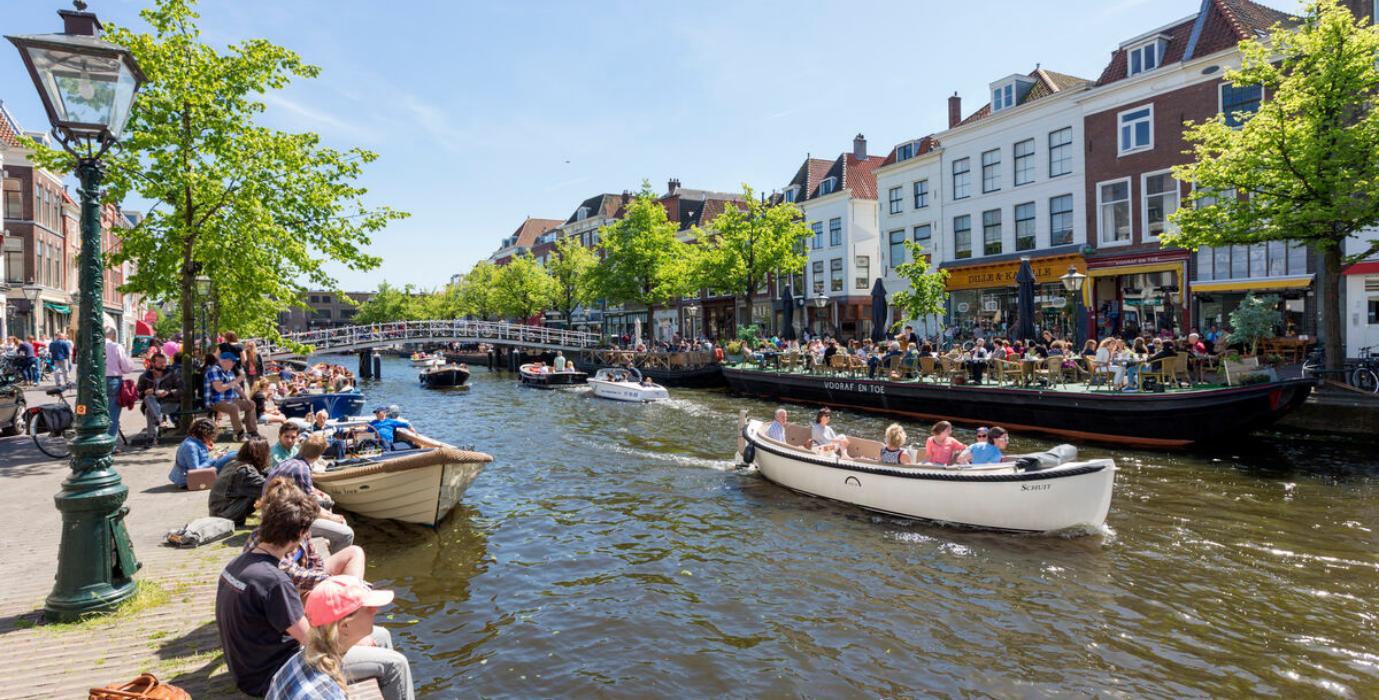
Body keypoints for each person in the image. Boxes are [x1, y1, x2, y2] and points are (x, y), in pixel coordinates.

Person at [265, 575, 414, 700]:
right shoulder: (326, 694)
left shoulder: (297, 660)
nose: (375, 610)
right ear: (344, 626)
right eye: (368, 608)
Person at [266, 436, 355, 552]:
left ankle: (328, 541)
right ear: (319, 455)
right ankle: (332, 566)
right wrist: (331, 517)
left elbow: (301, 491)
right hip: (286, 523)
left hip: (271, 515)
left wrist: (317, 492)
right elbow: (309, 505)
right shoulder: (302, 469)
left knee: (325, 499)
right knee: (346, 532)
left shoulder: (288, 463)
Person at [210, 435, 271, 526]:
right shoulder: (245, 472)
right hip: (225, 517)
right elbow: (269, 487)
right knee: (271, 491)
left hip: (217, 511)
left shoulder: (233, 463)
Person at [170, 417, 237, 488]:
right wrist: (214, 458)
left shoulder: (192, 440)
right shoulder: (191, 446)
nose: (212, 438)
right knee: (235, 454)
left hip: (198, 472)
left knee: (231, 453)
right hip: (189, 479)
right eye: (211, 436)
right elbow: (195, 470)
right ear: (204, 434)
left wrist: (208, 450)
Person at [207, 351, 259, 440]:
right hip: (216, 401)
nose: (234, 363)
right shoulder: (214, 370)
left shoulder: (229, 371)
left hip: (230, 400)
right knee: (234, 408)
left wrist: (247, 399)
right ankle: (240, 434)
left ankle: (252, 432)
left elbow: (237, 387)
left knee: (251, 404)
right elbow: (219, 388)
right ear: (225, 361)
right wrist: (236, 381)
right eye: (233, 361)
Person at [137, 351, 182, 444]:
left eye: (164, 362)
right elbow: (138, 393)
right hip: (153, 404)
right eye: (160, 363)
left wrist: (168, 393)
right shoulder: (145, 376)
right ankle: (159, 421)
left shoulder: (172, 373)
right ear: (153, 363)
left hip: (170, 403)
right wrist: (144, 392)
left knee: (149, 411)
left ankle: (151, 437)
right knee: (148, 398)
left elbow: (182, 389)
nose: (163, 365)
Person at [104, 328, 139, 440]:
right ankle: (109, 444)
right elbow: (126, 367)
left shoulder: (91, 346)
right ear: (113, 336)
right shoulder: (115, 346)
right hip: (112, 380)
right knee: (112, 413)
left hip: (93, 382)